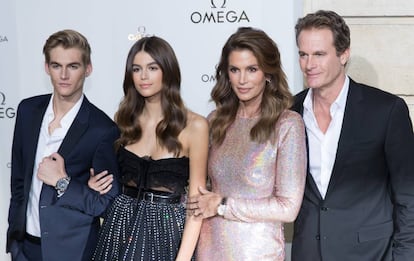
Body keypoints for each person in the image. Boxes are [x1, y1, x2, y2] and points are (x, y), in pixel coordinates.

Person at [291, 10, 414, 261]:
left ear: (344, 54)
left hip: (371, 254)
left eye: (319, 54)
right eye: (303, 54)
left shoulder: (386, 110)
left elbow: (408, 197)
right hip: (308, 253)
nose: (309, 64)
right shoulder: (289, 112)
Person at [186, 27, 307, 261]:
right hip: (208, 250)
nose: (242, 80)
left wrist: (222, 205)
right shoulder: (216, 121)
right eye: (235, 70)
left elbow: (288, 208)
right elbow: (202, 190)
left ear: (268, 73)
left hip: (257, 253)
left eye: (252, 69)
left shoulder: (287, 125)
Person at [89, 36, 208, 261]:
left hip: (167, 234)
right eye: (137, 69)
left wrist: (182, 258)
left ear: (168, 71)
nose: (143, 76)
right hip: (119, 228)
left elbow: (196, 206)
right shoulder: (125, 120)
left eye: (152, 68)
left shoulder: (195, 126)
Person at [6, 29, 120, 261]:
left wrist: (63, 183)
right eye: (57, 65)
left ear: (88, 69)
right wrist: (14, 240)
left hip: (72, 252)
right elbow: (19, 180)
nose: (64, 75)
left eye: (73, 66)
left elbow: (108, 204)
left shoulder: (102, 129)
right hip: (24, 248)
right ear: (47, 68)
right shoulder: (27, 111)